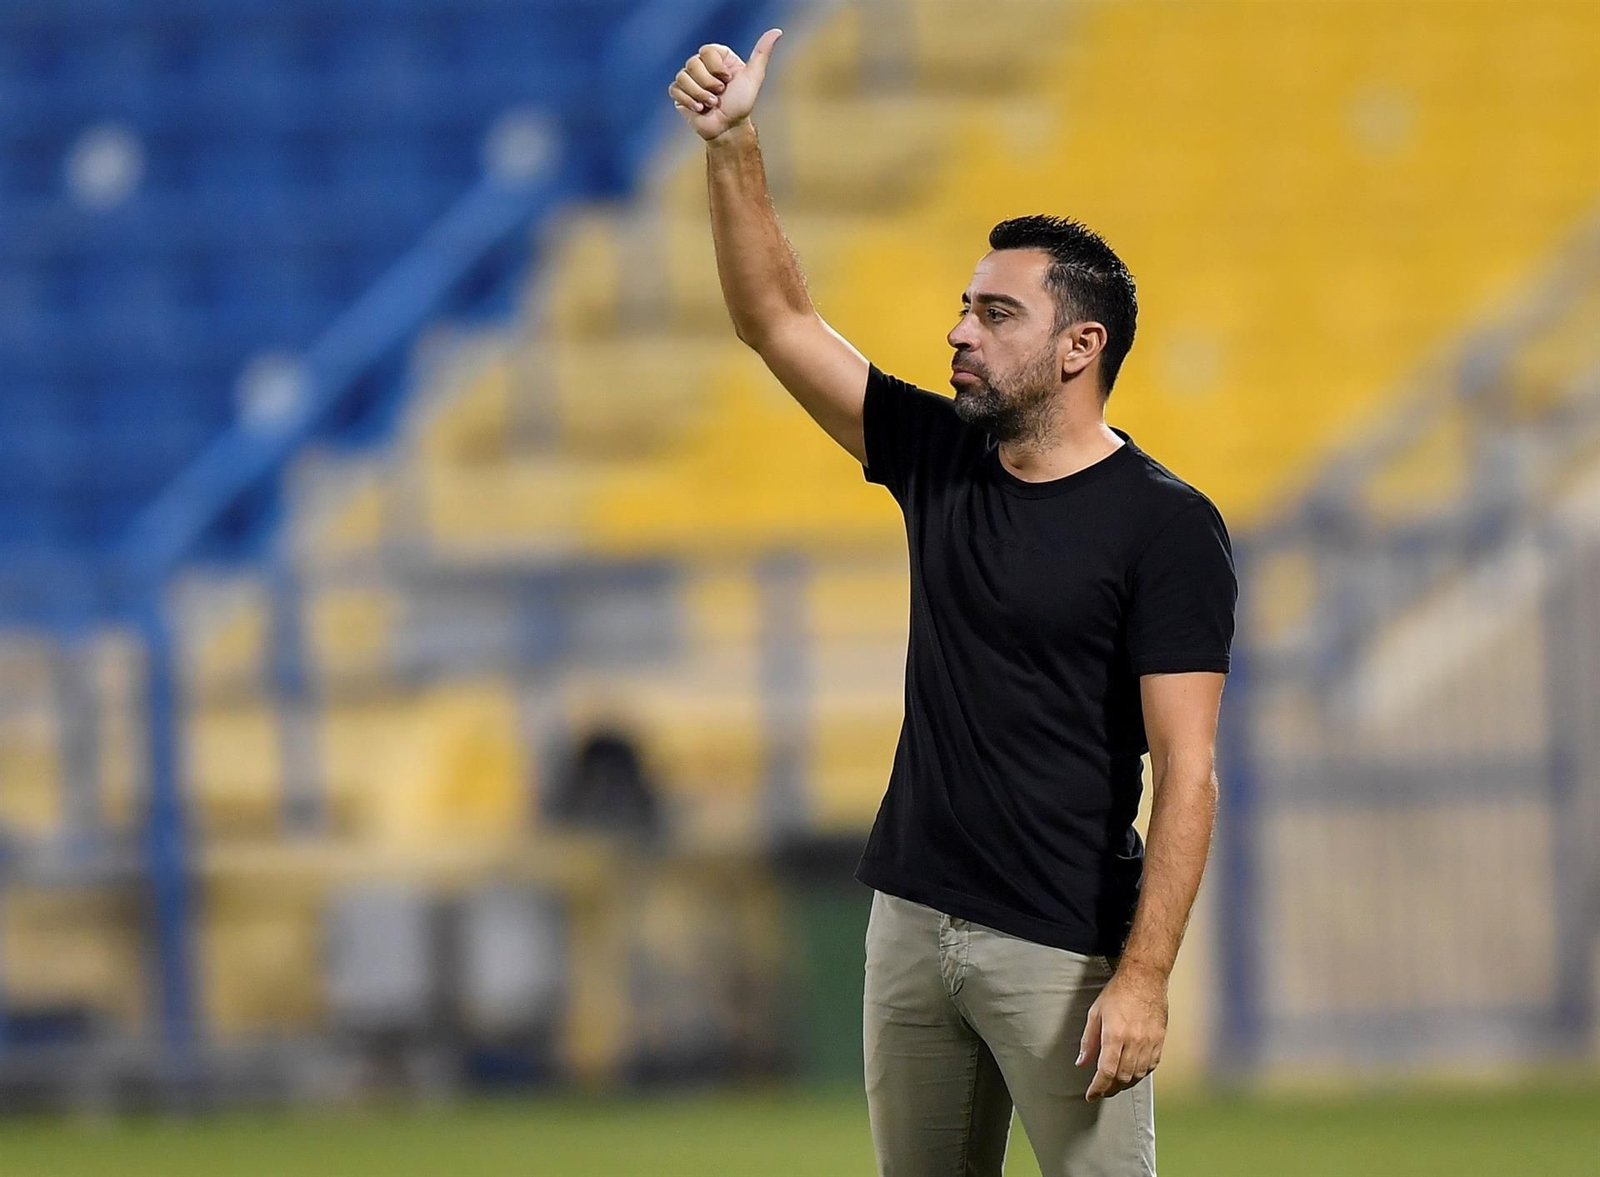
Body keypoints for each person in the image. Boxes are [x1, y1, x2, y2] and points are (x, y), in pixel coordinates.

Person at [671, 30, 1236, 1176]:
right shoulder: (940, 454)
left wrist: (1142, 976)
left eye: (995, 315)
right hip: (910, 922)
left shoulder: (1166, 524)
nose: (958, 333)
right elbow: (776, 320)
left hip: (1063, 951)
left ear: (1081, 346)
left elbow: (1188, 769)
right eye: (963, 307)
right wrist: (732, 147)